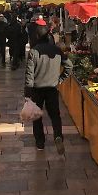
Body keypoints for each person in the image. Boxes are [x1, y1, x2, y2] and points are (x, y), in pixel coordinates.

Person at [24, 24, 73, 153]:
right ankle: (58, 135)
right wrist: (60, 80)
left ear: (37, 36)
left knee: (37, 117)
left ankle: (40, 142)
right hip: (52, 88)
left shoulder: (34, 51)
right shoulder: (57, 50)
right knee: (55, 115)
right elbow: (69, 66)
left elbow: (29, 74)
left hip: (37, 89)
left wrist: (27, 93)